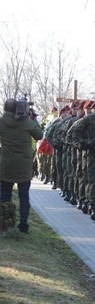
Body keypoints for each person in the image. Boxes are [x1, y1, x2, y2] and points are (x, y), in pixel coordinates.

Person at [0, 98, 44, 233]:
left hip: (6, 165)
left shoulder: (1, 122)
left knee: (5, 196)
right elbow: (39, 134)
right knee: (24, 196)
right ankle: (23, 224)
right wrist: (32, 118)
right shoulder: (27, 122)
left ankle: (5, 223)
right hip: (24, 167)